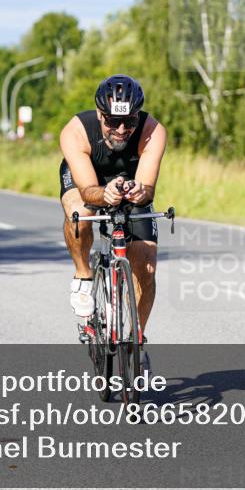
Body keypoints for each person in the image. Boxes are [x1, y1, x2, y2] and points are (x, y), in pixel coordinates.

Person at [58, 75, 167, 346]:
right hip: (88, 178)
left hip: (129, 179)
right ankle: (83, 274)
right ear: (99, 114)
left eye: (129, 122)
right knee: (79, 212)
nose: (120, 129)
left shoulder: (153, 131)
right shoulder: (76, 132)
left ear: (138, 116)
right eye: (112, 121)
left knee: (146, 264)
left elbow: (148, 188)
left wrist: (141, 192)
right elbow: (87, 191)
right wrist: (103, 193)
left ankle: (135, 340)